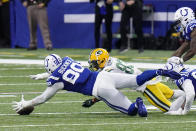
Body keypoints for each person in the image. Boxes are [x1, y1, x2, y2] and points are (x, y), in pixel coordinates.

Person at [12, 54, 181, 117]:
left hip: (100, 90)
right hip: (105, 76)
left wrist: (29, 103)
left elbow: (43, 98)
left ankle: (138, 104)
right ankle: (159, 71)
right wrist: (45, 75)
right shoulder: (68, 61)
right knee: (137, 80)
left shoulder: (57, 82)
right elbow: (62, 71)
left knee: (131, 111)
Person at [82, 48, 185, 113]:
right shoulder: (112, 60)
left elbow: (108, 91)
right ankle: (186, 95)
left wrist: (93, 101)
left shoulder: (109, 70)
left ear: (103, 60)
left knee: (169, 109)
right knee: (172, 94)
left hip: (146, 85)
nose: (93, 66)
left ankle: (187, 99)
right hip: (148, 78)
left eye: (95, 63)